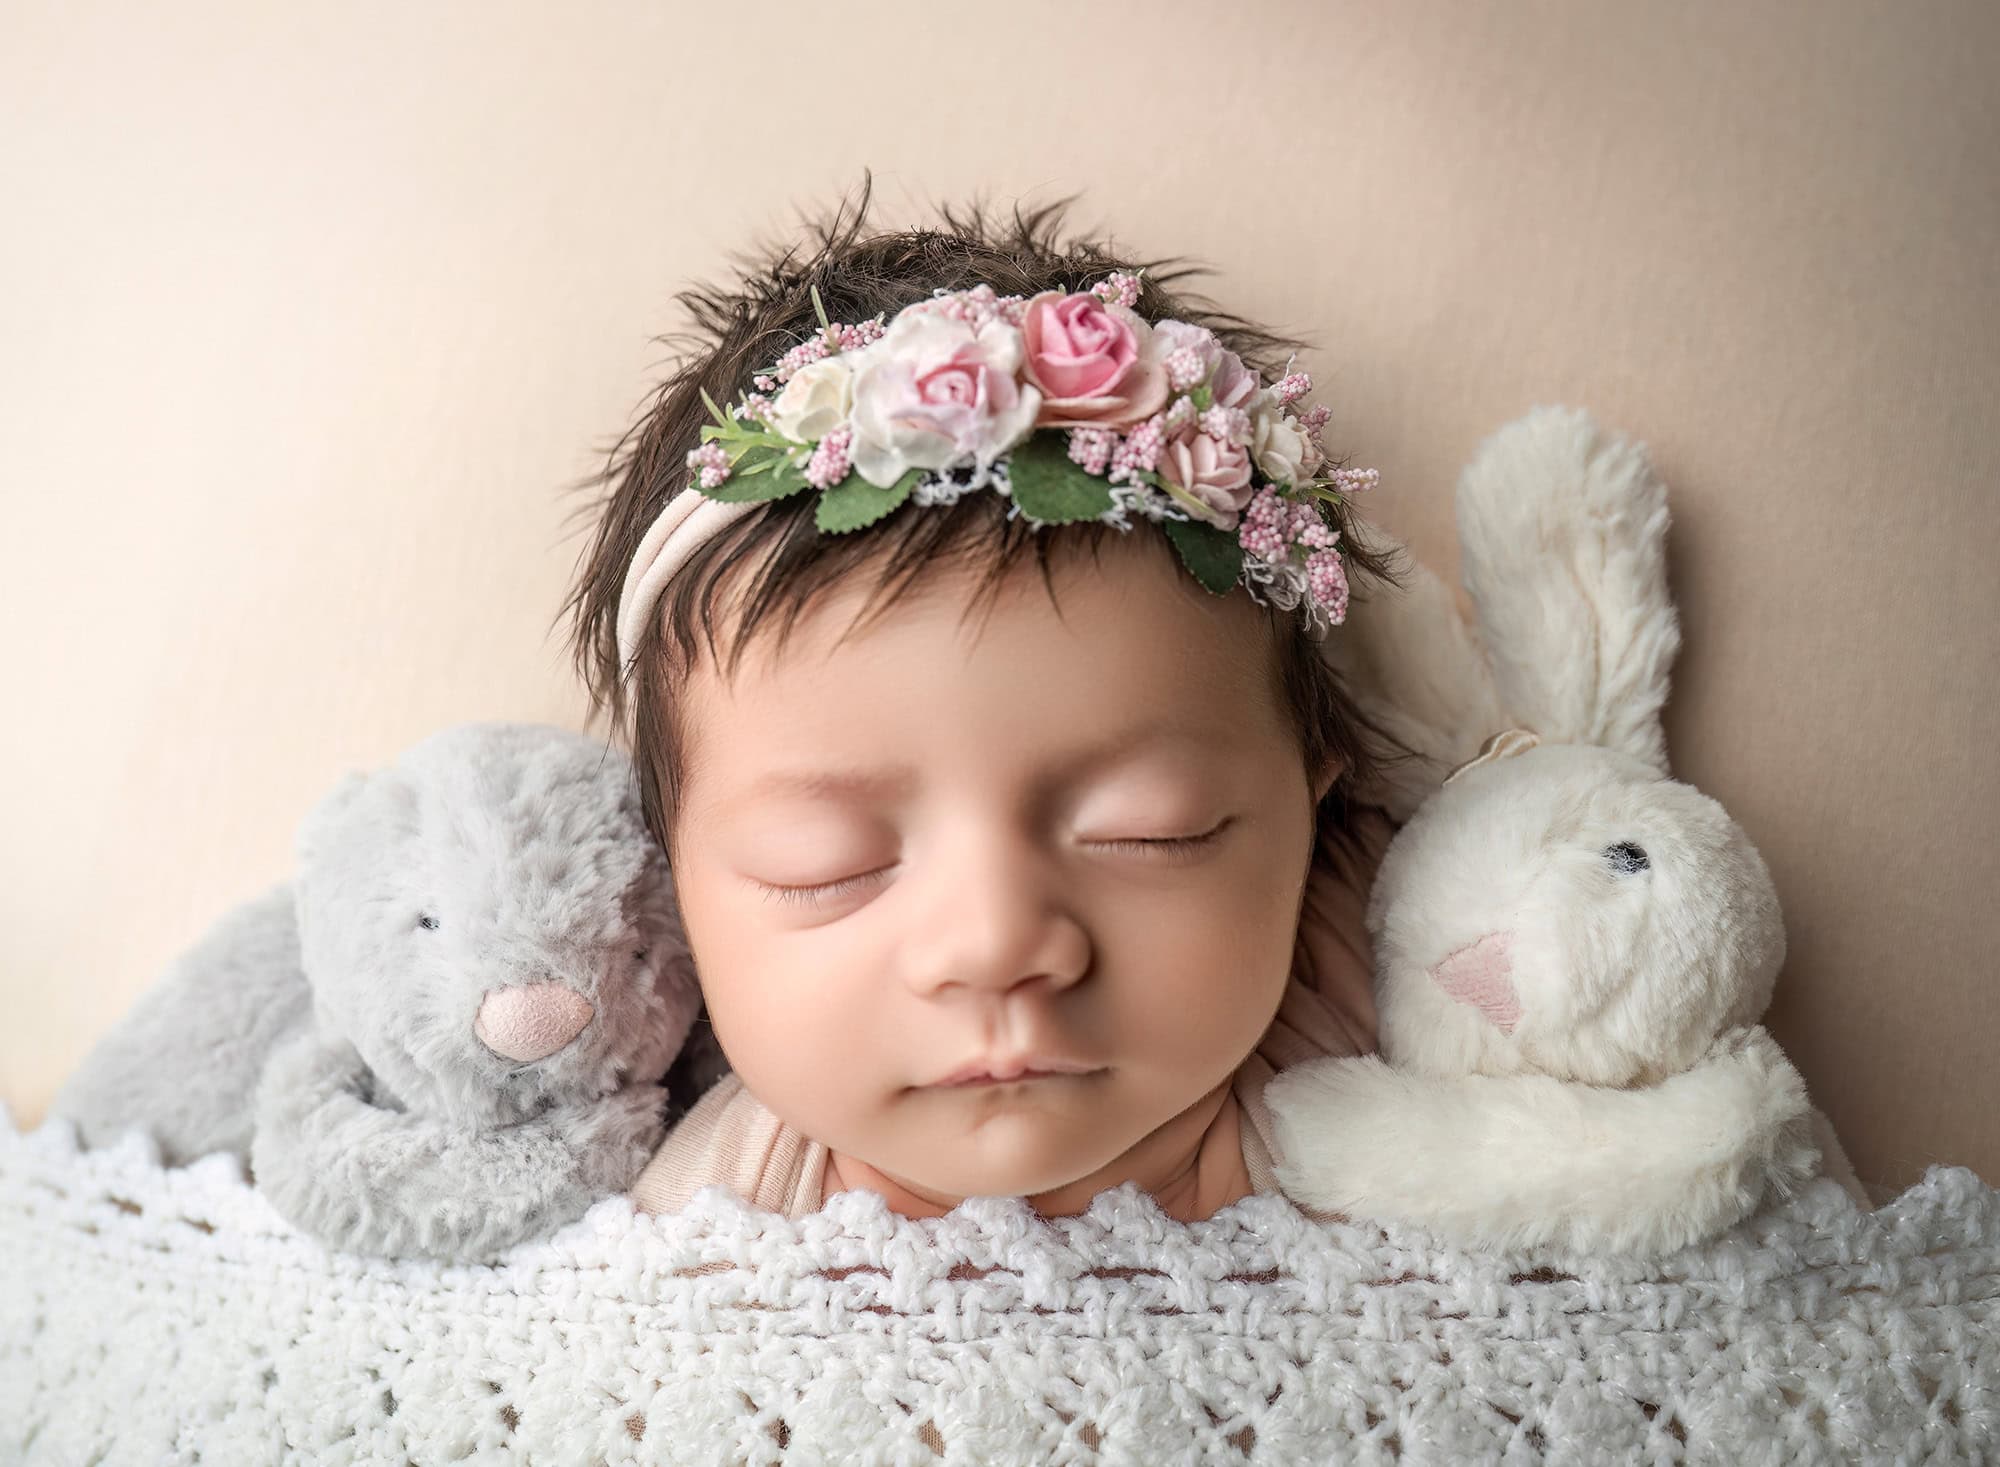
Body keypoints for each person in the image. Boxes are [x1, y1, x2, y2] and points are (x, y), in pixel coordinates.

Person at [561, 188, 1404, 1224]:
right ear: (670, 879)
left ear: (1311, 821)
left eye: (1152, 829)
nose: (996, 943)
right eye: (825, 861)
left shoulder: (1384, 1044)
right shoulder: (707, 1232)